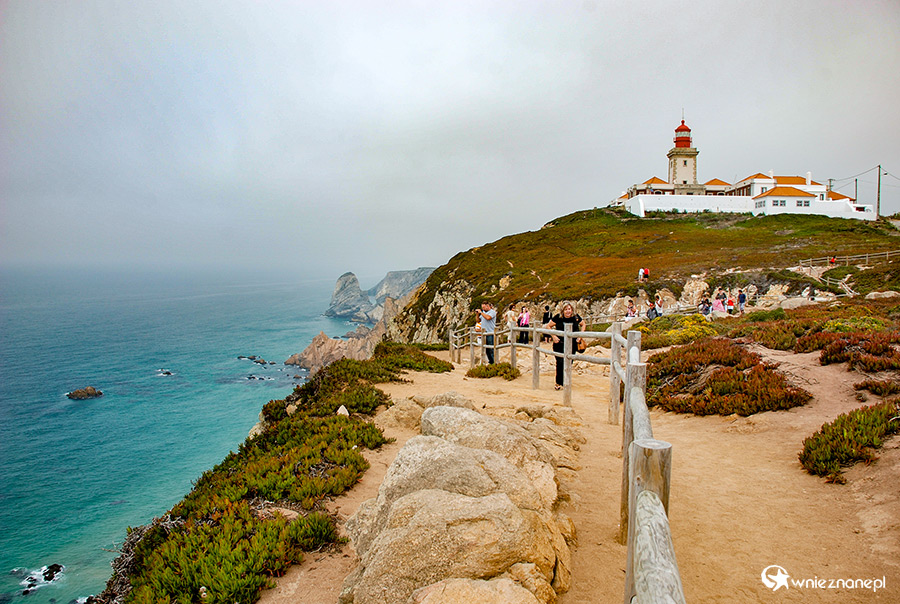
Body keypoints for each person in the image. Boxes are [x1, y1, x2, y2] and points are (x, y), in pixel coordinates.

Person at [546, 302, 585, 391]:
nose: (568, 311)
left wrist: (580, 336)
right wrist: (554, 336)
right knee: (560, 362)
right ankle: (558, 382)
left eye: (569, 309)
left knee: (569, 363)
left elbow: (583, 324)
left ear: (572, 310)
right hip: (559, 344)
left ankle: (566, 381)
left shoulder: (576, 317)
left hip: (572, 344)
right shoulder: (558, 317)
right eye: (566, 309)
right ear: (563, 310)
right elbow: (548, 326)